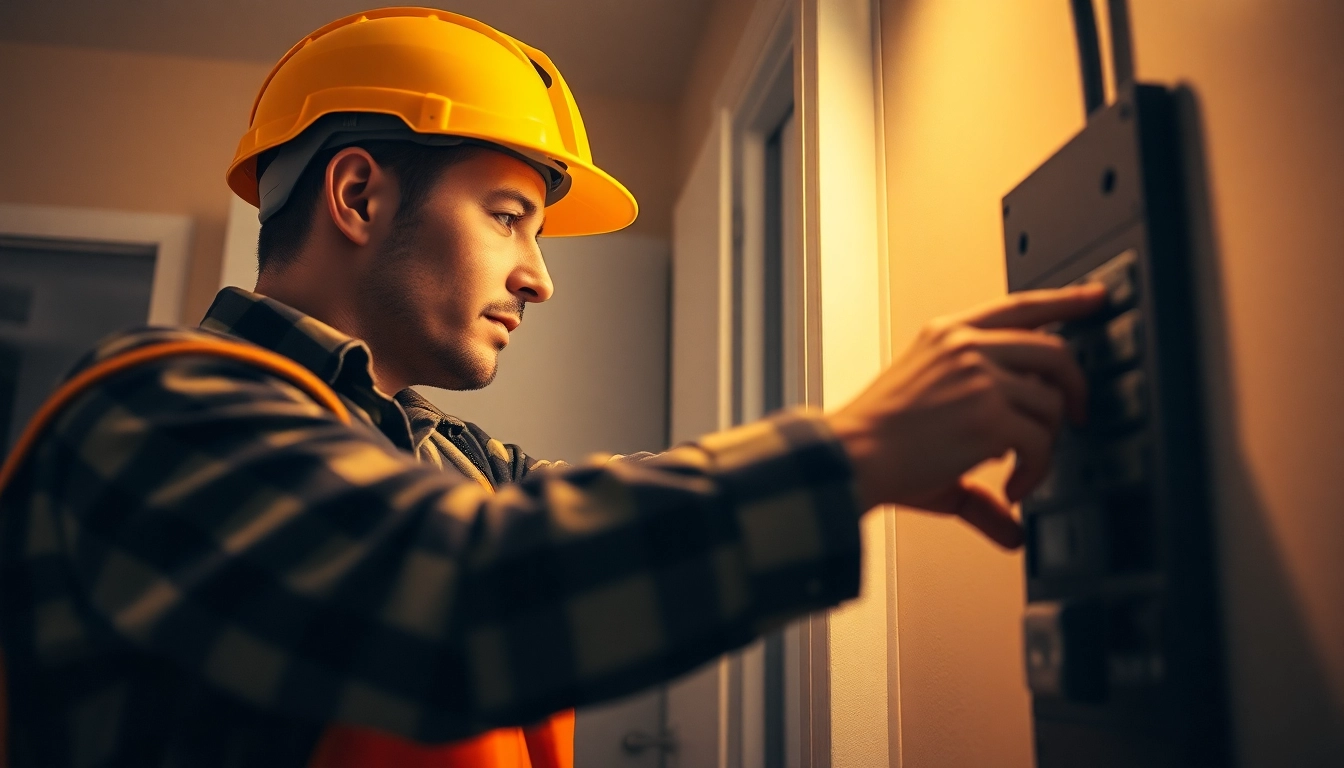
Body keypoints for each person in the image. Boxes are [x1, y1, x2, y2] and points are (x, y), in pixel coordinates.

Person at [0, 8, 1106, 768]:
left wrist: (887, 427)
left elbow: (591, 515)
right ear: (356, 194)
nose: (539, 276)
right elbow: (452, 592)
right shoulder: (150, 408)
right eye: (508, 216)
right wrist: (857, 452)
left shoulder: (438, 455)